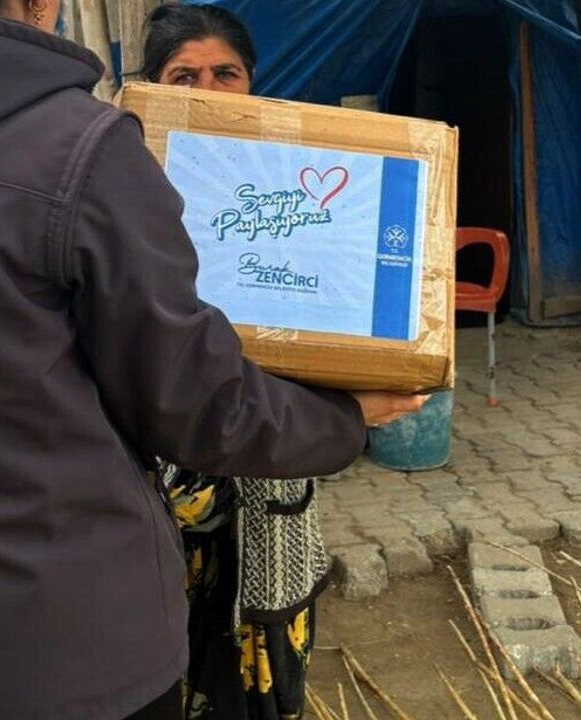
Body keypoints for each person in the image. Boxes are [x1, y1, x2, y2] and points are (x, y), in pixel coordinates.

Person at [0, 0, 425, 718]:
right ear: (39, 4)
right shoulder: (79, 149)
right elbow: (197, 407)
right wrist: (345, 416)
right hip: (65, 658)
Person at [139, 7, 363, 719]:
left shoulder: (295, 183)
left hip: (271, 485)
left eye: (225, 73)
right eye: (184, 76)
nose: (208, 90)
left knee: (260, 682)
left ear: (252, 81)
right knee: (168, 670)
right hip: (167, 484)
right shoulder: (126, 196)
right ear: (153, 87)